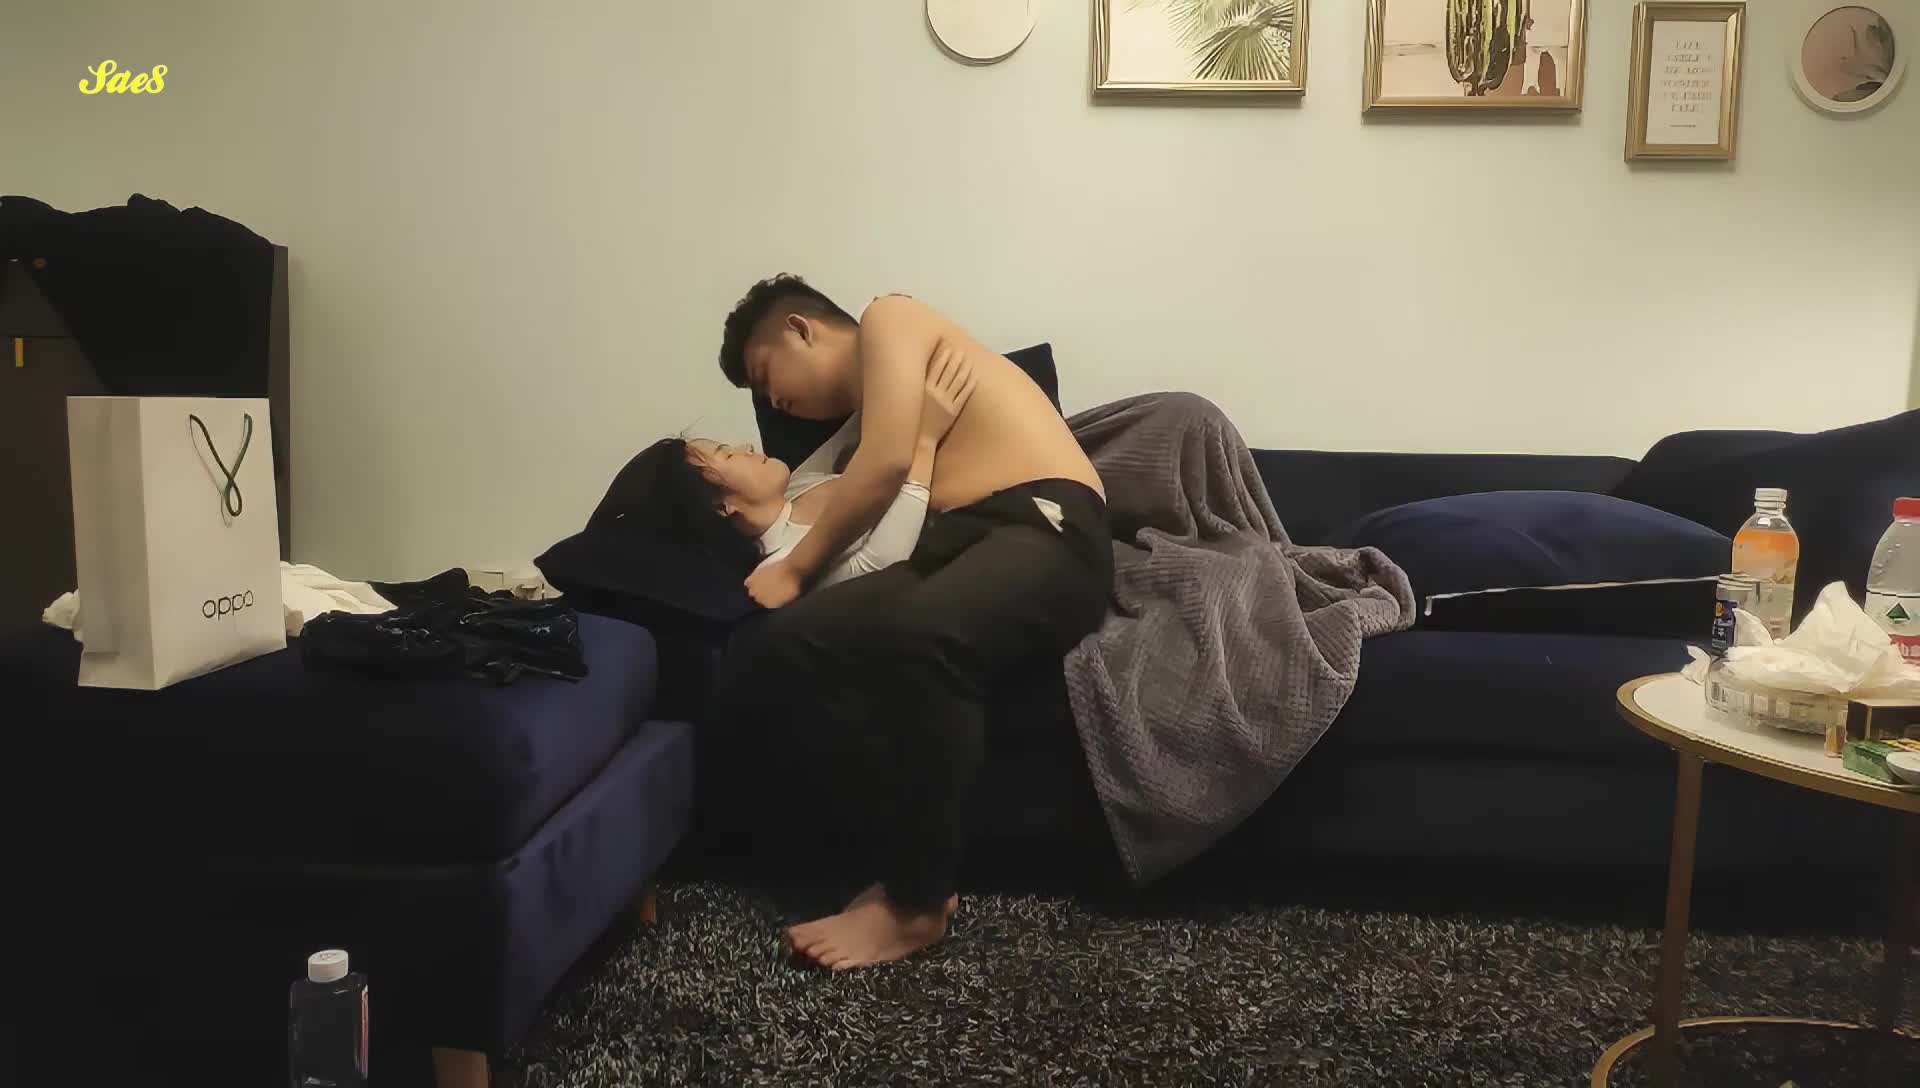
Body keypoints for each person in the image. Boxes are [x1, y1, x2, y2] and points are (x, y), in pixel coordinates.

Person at [717, 276, 1113, 969]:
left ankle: (917, 902)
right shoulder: (854, 433)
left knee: (922, 636)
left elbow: (889, 463)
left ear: (800, 329)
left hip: (1044, 524)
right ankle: (878, 853)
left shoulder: (888, 318)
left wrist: (794, 570)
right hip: (956, 543)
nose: (772, 403)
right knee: (779, 646)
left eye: (766, 375)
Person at [648, 344, 978, 587]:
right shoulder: (777, 567)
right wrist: (925, 441)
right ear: (722, 508)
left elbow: (858, 425)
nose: (746, 447)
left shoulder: (798, 484)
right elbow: (880, 563)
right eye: (728, 454)